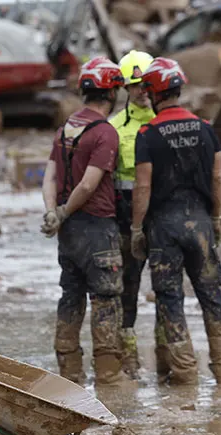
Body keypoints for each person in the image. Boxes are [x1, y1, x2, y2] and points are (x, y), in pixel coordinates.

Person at [130, 57, 221, 385]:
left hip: (164, 228)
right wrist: (216, 218)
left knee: (170, 298)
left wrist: (136, 228)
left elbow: (143, 186)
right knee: (211, 295)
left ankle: (186, 375)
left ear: (153, 92)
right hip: (202, 224)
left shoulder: (148, 134)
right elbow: (218, 178)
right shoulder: (206, 129)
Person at [40, 57, 125, 386]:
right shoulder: (105, 132)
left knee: (71, 296)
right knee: (105, 300)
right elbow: (89, 184)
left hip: (69, 232)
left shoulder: (66, 127)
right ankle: (108, 377)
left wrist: (53, 212)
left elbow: (49, 177)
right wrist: (64, 211)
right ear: (112, 92)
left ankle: (70, 377)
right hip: (97, 227)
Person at [109, 50, 156, 380]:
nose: (142, 91)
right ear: (125, 87)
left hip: (162, 217)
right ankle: (128, 358)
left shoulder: (164, 122)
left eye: (147, 85)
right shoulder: (113, 128)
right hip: (126, 219)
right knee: (128, 287)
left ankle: (170, 361)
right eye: (135, 85)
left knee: (168, 289)